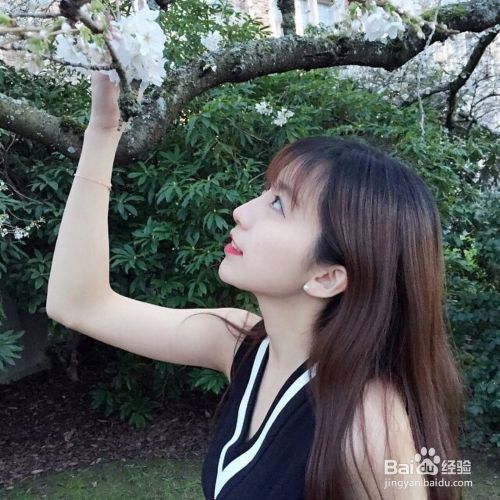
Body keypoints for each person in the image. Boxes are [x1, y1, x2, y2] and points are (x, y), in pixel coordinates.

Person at [46, 73, 465, 500]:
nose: (242, 211)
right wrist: (103, 131)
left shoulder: (368, 424)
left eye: (279, 204)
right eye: (266, 193)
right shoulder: (241, 343)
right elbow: (78, 304)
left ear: (326, 277)